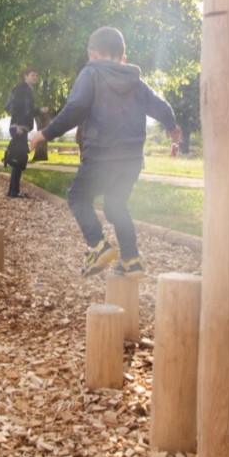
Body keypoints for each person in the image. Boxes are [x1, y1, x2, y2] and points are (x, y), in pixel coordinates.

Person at [30, 26, 182, 279]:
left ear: (93, 53)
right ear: (123, 57)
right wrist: (171, 126)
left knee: (78, 197)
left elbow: (75, 109)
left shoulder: (91, 73)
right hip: (131, 160)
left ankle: (98, 246)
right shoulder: (136, 82)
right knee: (116, 206)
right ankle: (131, 260)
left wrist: (45, 133)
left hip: (101, 156)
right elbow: (162, 107)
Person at [4, 68, 48, 198]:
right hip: (19, 127)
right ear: (26, 76)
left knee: (19, 158)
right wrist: (17, 125)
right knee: (19, 159)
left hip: (21, 127)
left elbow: (27, 111)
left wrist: (40, 111)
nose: (35, 78)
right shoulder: (22, 88)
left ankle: (13, 191)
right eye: (32, 75)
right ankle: (14, 192)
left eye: (36, 76)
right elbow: (18, 108)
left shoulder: (28, 89)